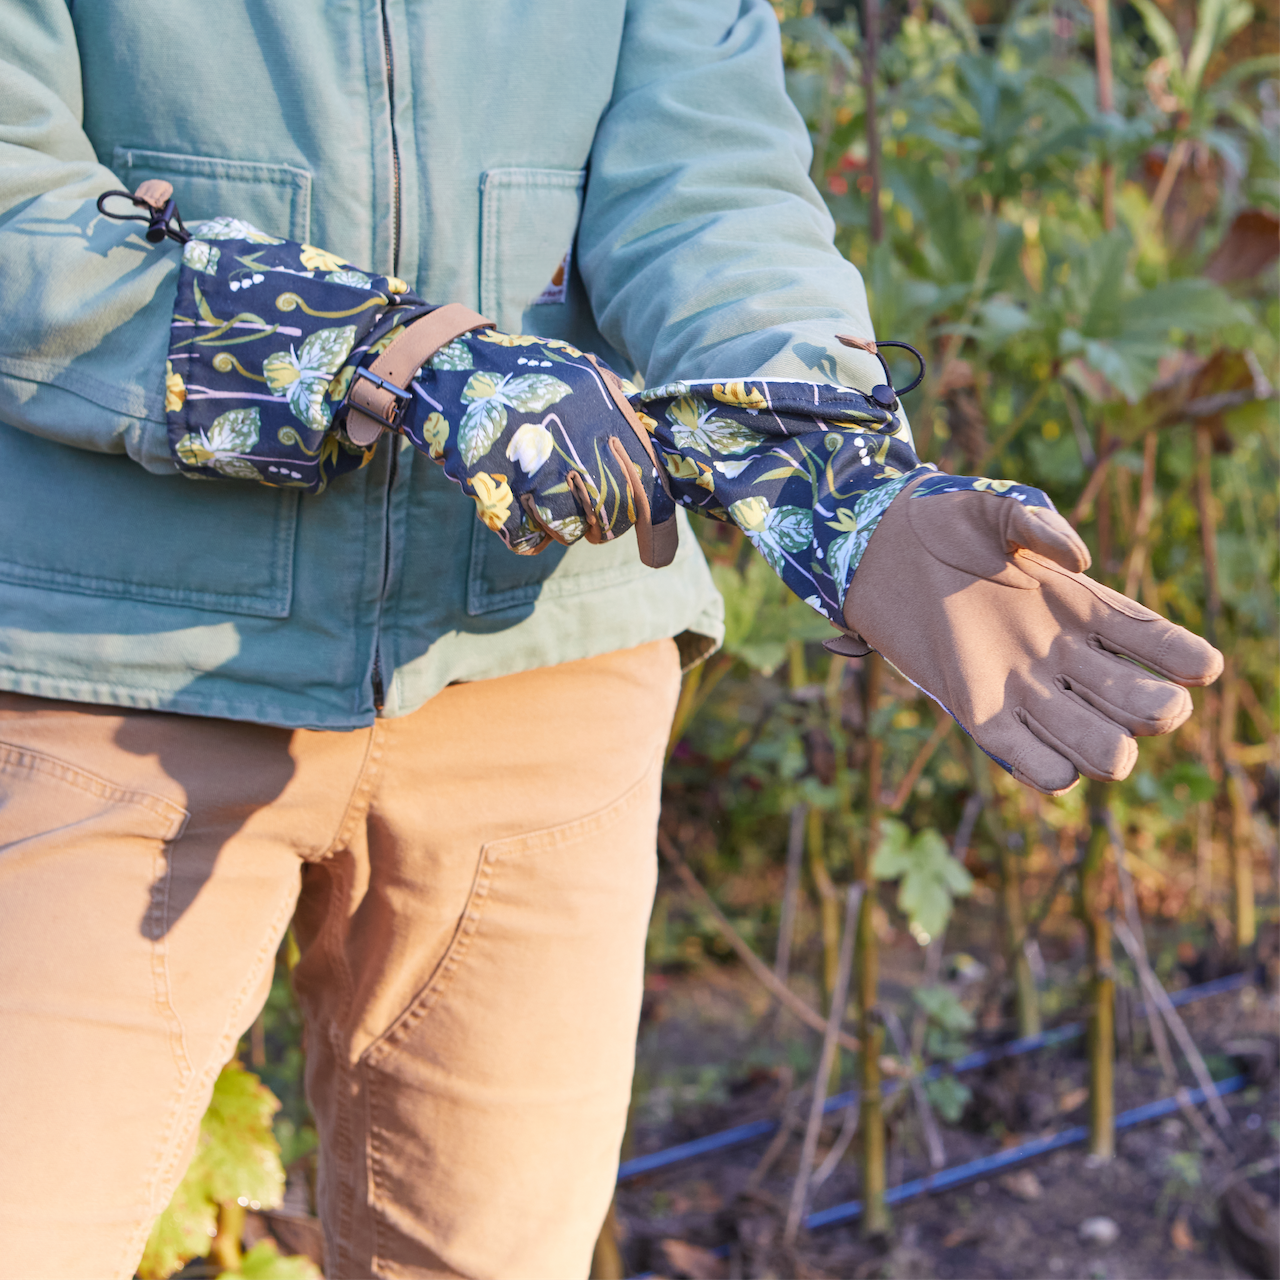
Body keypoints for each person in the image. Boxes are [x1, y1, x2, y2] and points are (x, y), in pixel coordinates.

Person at [0, 3, 1220, 1279]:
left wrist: (836, 488)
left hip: (544, 671)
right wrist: (378, 356)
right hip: (99, 667)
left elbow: (709, 195)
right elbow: (22, 202)